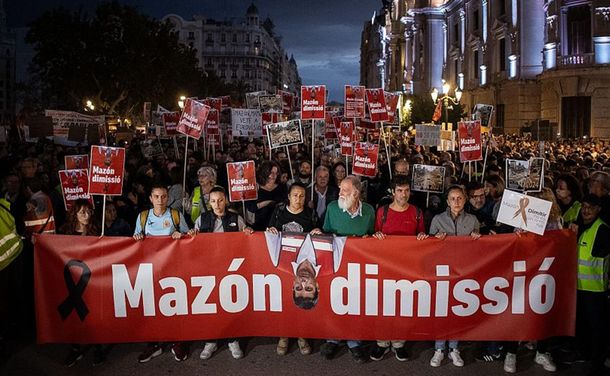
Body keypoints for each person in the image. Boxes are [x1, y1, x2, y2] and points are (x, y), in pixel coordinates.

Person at [188, 186, 252, 361]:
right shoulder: (202, 219)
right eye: (214, 201)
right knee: (211, 305)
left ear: (226, 201)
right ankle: (211, 340)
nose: (217, 204)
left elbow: (247, 238)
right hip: (209, 269)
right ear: (209, 202)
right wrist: (192, 235)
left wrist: (247, 232)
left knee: (230, 304)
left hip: (231, 269)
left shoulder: (235, 218)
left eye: (221, 200)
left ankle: (232, 339)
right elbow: (193, 244)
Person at [369, 175, 426, 362]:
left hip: (407, 269)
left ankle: (399, 343)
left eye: (407, 190)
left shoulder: (417, 212)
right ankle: (382, 342)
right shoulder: (382, 211)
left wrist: (423, 237)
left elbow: (422, 237)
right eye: (400, 191)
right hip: (385, 268)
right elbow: (374, 237)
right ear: (393, 192)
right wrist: (376, 235)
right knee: (383, 306)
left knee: (403, 306)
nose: (404, 194)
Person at [320, 175, 374, 363]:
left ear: (356, 193)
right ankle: (332, 339)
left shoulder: (368, 211)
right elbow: (326, 232)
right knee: (335, 301)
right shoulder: (333, 208)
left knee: (356, 303)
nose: (340, 193)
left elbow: (373, 236)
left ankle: (354, 341)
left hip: (358, 267)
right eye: (341, 189)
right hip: (336, 265)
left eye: (345, 190)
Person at [133, 183, 189, 363]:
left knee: (173, 305)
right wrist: (137, 238)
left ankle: (176, 341)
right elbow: (135, 239)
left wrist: (181, 236)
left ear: (168, 198)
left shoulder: (175, 215)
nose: (160, 200)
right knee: (151, 307)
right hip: (150, 269)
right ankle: (154, 344)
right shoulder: (142, 217)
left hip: (173, 269)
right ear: (150, 198)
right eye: (156, 196)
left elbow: (190, 237)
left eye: (163, 196)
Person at [266, 182, 321, 356]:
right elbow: (268, 233)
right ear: (289, 197)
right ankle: (284, 335)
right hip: (284, 265)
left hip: (302, 267)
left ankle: (302, 335)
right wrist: (271, 231)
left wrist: (319, 232)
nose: (298, 199)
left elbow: (319, 237)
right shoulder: (279, 212)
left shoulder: (310, 214)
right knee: (284, 303)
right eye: (295, 195)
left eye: (302, 196)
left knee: (302, 303)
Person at [428, 185, 480, 368]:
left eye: (459, 198)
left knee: (458, 311)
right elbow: (427, 248)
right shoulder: (437, 219)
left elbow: (479, 250)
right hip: (442, 271)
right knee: (442, 310)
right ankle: (439, 348)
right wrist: (435, 240)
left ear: (465, 200)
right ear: (447, 201)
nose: (456, 202)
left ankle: (454, 349)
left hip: (463, 272)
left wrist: (477, 237)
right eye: (452, 198)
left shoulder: (473, 220)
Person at [58, 200, 109, 367]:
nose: (86, 216)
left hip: (94, 280)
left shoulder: (97, 230)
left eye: (88, 212)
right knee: (75, 315)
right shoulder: (65, 232)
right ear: (75, 214)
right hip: (73, 280)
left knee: (94, 313)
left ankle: (97, 347)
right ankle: (75, 348)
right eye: (82, 213)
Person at [569, 194, 610, 376]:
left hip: (595, 289)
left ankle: (597, 361)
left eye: (590, 208)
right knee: (582, 324)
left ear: (598, 209)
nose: (586, 211)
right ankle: (584, 353)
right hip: (578, 287)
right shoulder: (579, 227)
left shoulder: (603, 230)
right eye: (584, 207)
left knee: (597, 328)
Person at [252, 160, 286, 231]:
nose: (274, 176)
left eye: (276, 173)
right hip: (259, 223)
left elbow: (285, 204)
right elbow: (252, 208)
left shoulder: (282, 187)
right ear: (264, 172)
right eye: (271, 173)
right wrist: (268, 202)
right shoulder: (256, 187)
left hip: (277, 223)